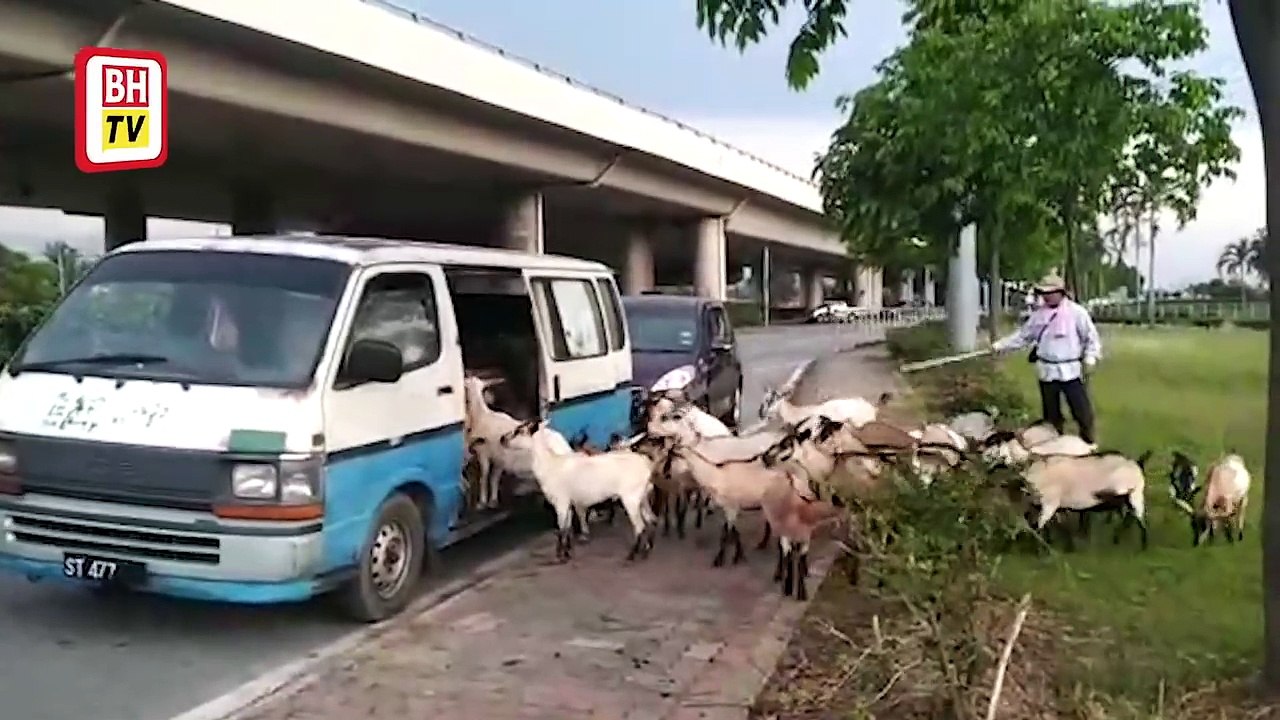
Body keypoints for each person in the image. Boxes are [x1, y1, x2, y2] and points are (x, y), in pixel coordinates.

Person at [992, 274, 1102, 442]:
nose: (1047, 296)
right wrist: (1000, 345)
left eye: (1050, 292)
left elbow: (1091, 338)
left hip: (1070, 371)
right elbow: (1023, 336)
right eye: (1044, 293)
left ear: (1060, 292)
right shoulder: (1038, 316)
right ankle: (1053, 445)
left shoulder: (1077, 313)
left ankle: (1088, 443)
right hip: (1047, 371)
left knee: (1082, 412)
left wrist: (1090, 359)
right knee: (1051, 416)